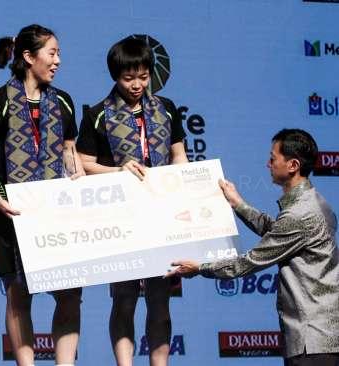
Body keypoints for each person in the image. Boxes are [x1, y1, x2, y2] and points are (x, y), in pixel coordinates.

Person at [168, 129, 339, 366]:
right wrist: (238, 203)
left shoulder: (300, 214)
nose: (267, 164)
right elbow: (278, 232)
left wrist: (200, 267)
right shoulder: (315, 203)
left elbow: (248, 262)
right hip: (321, 337)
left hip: (312, 342)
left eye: (273, 158)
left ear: (292, 165)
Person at [0, 24, 84, 366]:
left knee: (69, 293)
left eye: (58, 53)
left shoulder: (62, 101)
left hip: (54, 212)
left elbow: (69, 151)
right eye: (52, 53)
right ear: (28, 56)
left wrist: (76, 175)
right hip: (7, 212)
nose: (58, 61)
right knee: (19, 293)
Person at [75, 36, 188, 366]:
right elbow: (83, 163)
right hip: (119, 216)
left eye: (143, 76)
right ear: (115, 76)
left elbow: (178, 155)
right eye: (128, 78)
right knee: (124, 297)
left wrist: (180, 184)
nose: (136, 84)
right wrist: (117, 171)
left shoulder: (166, 109)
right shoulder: (98, 114)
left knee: (160, 298)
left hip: (163, 214)